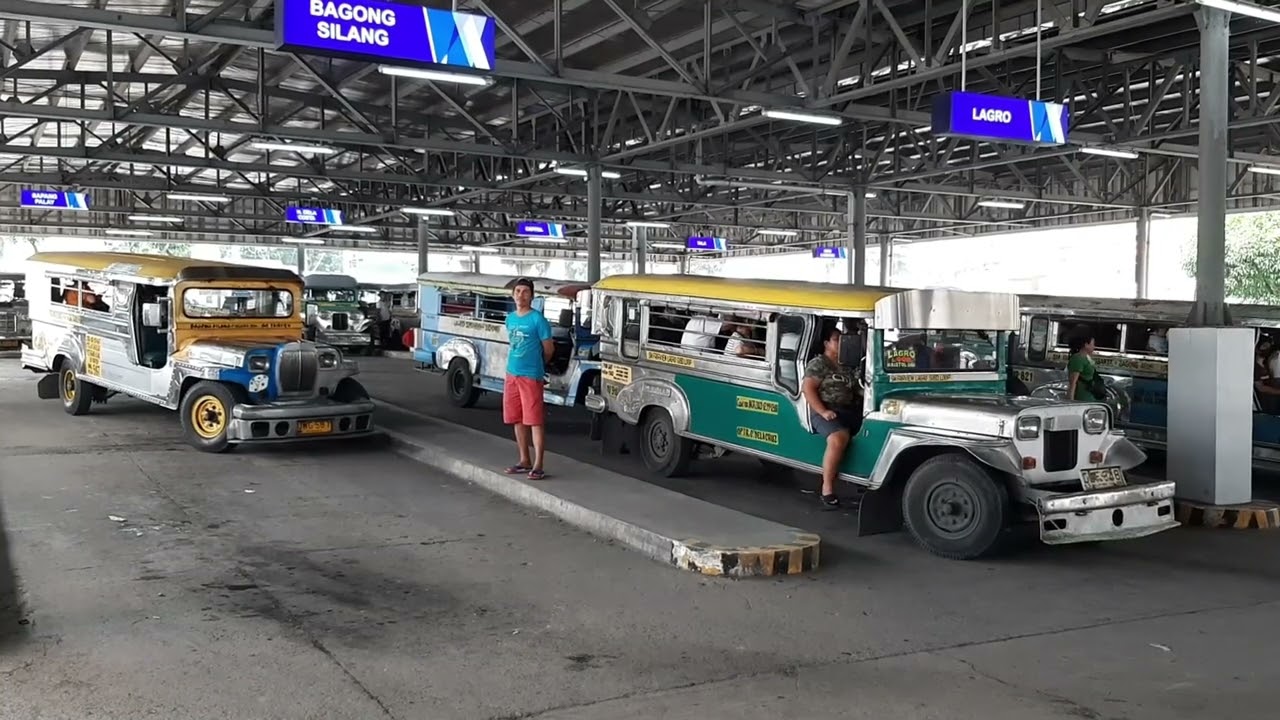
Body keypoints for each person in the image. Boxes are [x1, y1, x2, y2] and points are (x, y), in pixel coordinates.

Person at [802, 325, 861, 509]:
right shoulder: (820, 364)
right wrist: (823, 411)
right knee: (838, 437)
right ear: (827, 343)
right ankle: (827, 489)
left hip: (849, 409)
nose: (841, 342)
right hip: (825, 410)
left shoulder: (848, 364)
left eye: (842, 338)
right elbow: (808, 389)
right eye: (836, 339)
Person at [503, 277, 554, 480]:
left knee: (534, 420)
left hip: (531, 376)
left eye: (525, 292)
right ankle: (524, 460)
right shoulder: (510, 319)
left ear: (531, 296)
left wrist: (537, 365)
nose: (521, 295)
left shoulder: (538, 320)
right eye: (517, 291)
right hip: (511, 374)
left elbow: (549, 349)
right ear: (513, 294)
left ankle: (538, 464)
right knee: (517, 419)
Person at [1066, 328, 1101, 402]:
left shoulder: (1087, 358)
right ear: (1086, 345)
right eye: (1092, 344)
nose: (1094, 347)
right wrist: (1071, 401)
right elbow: (1073, 383)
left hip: (1089, 397)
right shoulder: (1078, 359)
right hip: (1081, 398)